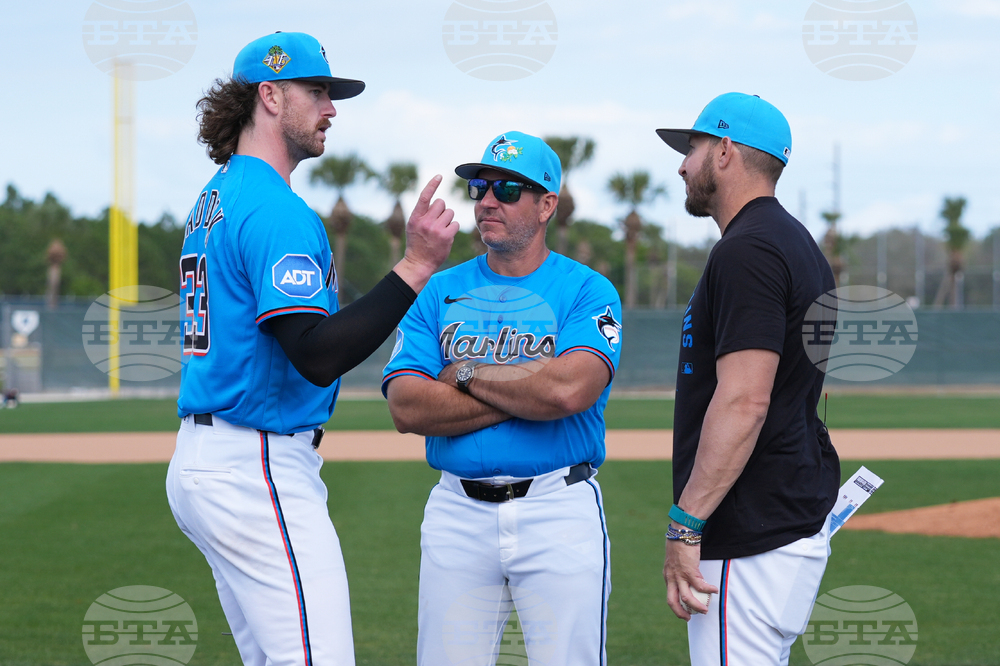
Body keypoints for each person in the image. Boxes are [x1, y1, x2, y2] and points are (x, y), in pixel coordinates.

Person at [166, 31, 457, 666]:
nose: (331, 107)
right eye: (317, 91)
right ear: (269, 96)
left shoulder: (213, 198)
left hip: (212, 456)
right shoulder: (276, 210)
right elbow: (316, 353)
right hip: (255, 465)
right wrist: (415, 266)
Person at [382, 131, 622, 666]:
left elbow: (568, 391)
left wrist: (460, 372)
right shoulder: (438, 291)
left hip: (558, 507)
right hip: (456, 514)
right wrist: (527, 385)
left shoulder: (588, 290)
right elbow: (407, 407)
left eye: (509, 188)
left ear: (547, 205)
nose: (488, 200)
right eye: (481, 187)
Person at [656, 93, 840, 665]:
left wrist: (686, 525)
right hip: (782, 517)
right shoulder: (793, 241)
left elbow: (744, 401)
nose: (683, 164)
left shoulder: (749, 250)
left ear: (727, 151)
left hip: (751, 531)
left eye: (694, 148)